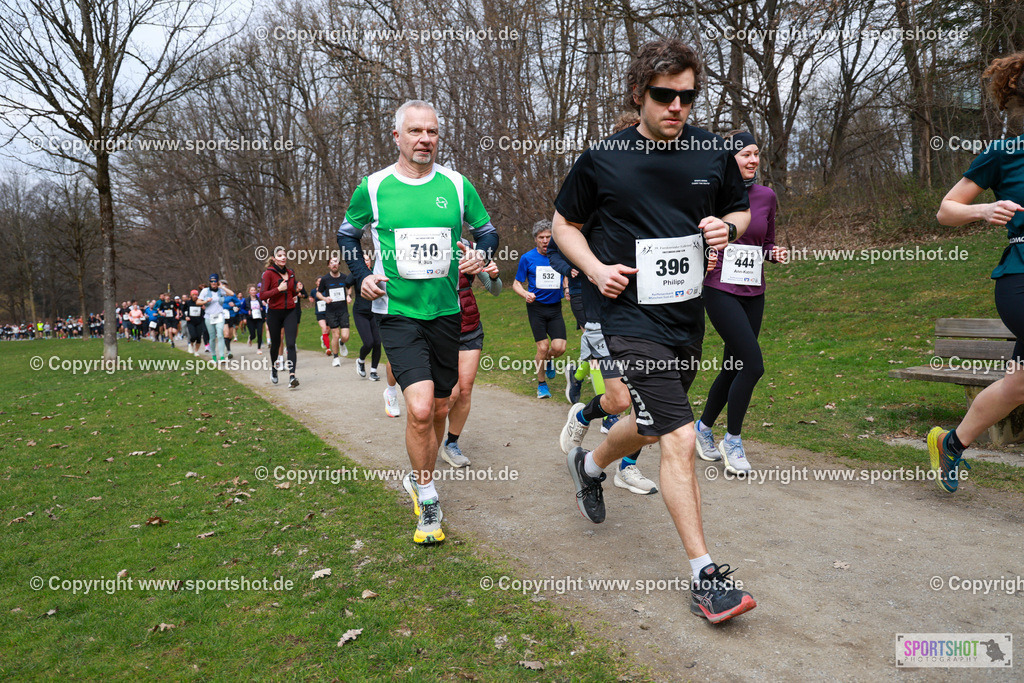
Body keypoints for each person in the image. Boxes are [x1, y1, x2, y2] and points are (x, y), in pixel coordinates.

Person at [552, 39, 756, 623]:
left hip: (683, 319)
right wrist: (593, 268)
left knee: (644, 423)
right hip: (627, 318)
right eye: (665, 95)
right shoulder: (603, 157)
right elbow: (565, 224)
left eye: (688, 97)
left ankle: (589, 467)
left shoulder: (712, 153)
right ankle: (705, 576)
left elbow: (739, 210)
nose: (677, 107)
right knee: (680, 435)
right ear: (639, 94)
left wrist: (727, 227)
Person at [337, 99, 498, 545]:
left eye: (431, 132)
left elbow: (486, 230)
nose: (424, 139)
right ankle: (426, 492)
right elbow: (348, 234)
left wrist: (482, 255)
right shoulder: (373, 187)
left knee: (442, 407)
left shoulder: (457, 184)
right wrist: (362, 275)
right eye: (415, 132)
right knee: (422, 408)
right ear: (397, 137)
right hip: (398, 313)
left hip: (447, 312)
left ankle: (421, 475)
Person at [929, 52, 1024, 494]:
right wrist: (984, 208)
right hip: (1019, 278)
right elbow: (946, 210)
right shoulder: (1004, 153)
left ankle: (952, 442)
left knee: (1019, 384)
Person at [693, 131, 788, 475]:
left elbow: (766, 242)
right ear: (729, 160)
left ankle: (702, 428)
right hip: (719, 289)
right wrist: (705, 255)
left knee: (733, 367)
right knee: (753, 365)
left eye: (756, 154)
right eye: (745, 154)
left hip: (754, 292)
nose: (752, 160)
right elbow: (692, 238)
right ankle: (732, 440)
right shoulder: (712, 196)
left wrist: (773, 253)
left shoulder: (767, 197)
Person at [441, 247, 503, 468]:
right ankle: (425, 432)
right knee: (451, 393)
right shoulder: (425, 239)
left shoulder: (467, 248)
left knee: (464, 389)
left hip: (469, 327)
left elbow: (494, 289)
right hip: (439, 328)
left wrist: (494, 276)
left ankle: (451, 444)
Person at [513, 220, 567, 399]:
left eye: (548, 237)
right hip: (536, 308)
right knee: (543, 347)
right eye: (541, 237)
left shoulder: (559, 256)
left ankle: (549, 360)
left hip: (555, 308)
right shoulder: (527, 258)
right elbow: (516, 284)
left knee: (559, 348)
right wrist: (525, 294)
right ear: (535, 239)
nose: (545, 240)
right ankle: (541, 384)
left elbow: (566, 275)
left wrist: (566, 288)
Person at [260, 247, 300, 388]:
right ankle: (274, 369)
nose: (283, 257)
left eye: (285, 255)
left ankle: (292, 376)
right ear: (274, 258)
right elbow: (262, 295)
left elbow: (292, 290)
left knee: (290, 344)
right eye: (280, 255)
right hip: (274, 313)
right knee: (276, 344)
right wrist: (278, 289)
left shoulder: (291, 273)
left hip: (289, 312)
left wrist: (295, 293)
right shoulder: (268, 274)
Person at [316, 256, 354, 366]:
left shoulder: (344, 277)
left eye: (336, 262)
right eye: (332, 262)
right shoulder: (325, 279)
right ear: (329, 265)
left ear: (339, 264)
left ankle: (342, 343)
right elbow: (319, 293)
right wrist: (324, 298)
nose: (334, 264)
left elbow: (349, 287)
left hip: (343, 310)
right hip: (331, 311)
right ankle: (336, 357)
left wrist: (348, 296)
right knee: (335, 335)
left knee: (345, 336)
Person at [352, 251, 383, 381]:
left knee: (377, 342)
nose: (366, 262)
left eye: (367, 260)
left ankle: (373, 371)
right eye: (363, 260)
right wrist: (348, 294)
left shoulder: (375, 273)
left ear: (371, 262)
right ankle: (361, 360)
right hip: (360, 313)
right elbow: (347, 282)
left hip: (374, 312)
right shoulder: (357, 274)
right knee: (368, 342)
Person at [198, 274, 234, 362]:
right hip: (209, 316)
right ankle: (214, 355)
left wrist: (222, 287)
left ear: (217, 282)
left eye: (215, 281)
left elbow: (232, 294)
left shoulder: (220, 291)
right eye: (211, 281)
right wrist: (206, 301)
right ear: (209, 282)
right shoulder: (205, 291)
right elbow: (198, 302)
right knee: (212, 337)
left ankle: (222, 356)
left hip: (219, 315)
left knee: (221, 335)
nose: (213, 283)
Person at [244, 285, 265, 354]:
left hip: (259, 318)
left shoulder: (259, 299)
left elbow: (263, 308)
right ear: (249, 292)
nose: (253, 291)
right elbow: (241, 309)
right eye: (252, 290)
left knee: (259, 333)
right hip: (251, 319)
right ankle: (250, 338)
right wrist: (247, 312)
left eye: (254, 290)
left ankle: (259, 348)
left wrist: (262, 308)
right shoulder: (246, 300)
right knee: (253, 334)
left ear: (256, 291)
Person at [184, 290, 205, 355]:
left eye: (196, 295)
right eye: (194, 295)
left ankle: (196, 351)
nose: (195, 296)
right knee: (193, 336)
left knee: (198, 337)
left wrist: (204, 308)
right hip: (191, 322)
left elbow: (205, 311)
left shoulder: (200, 302)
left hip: (199, 321)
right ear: (191, 295)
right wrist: (186, 316)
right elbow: (183, 310)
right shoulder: (188, 302)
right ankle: (190, 344)